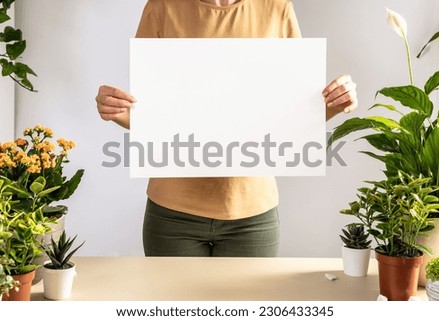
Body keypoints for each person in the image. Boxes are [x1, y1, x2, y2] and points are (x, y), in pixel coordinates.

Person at [96, 0, 358, 257]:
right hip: (172, 212)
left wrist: (335, 104)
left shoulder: (277, 8)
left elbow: (291, 117)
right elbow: (154, 115)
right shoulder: (161, 7)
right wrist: (118, 113)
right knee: (171, 302)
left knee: (246, 302)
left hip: (253, 215)